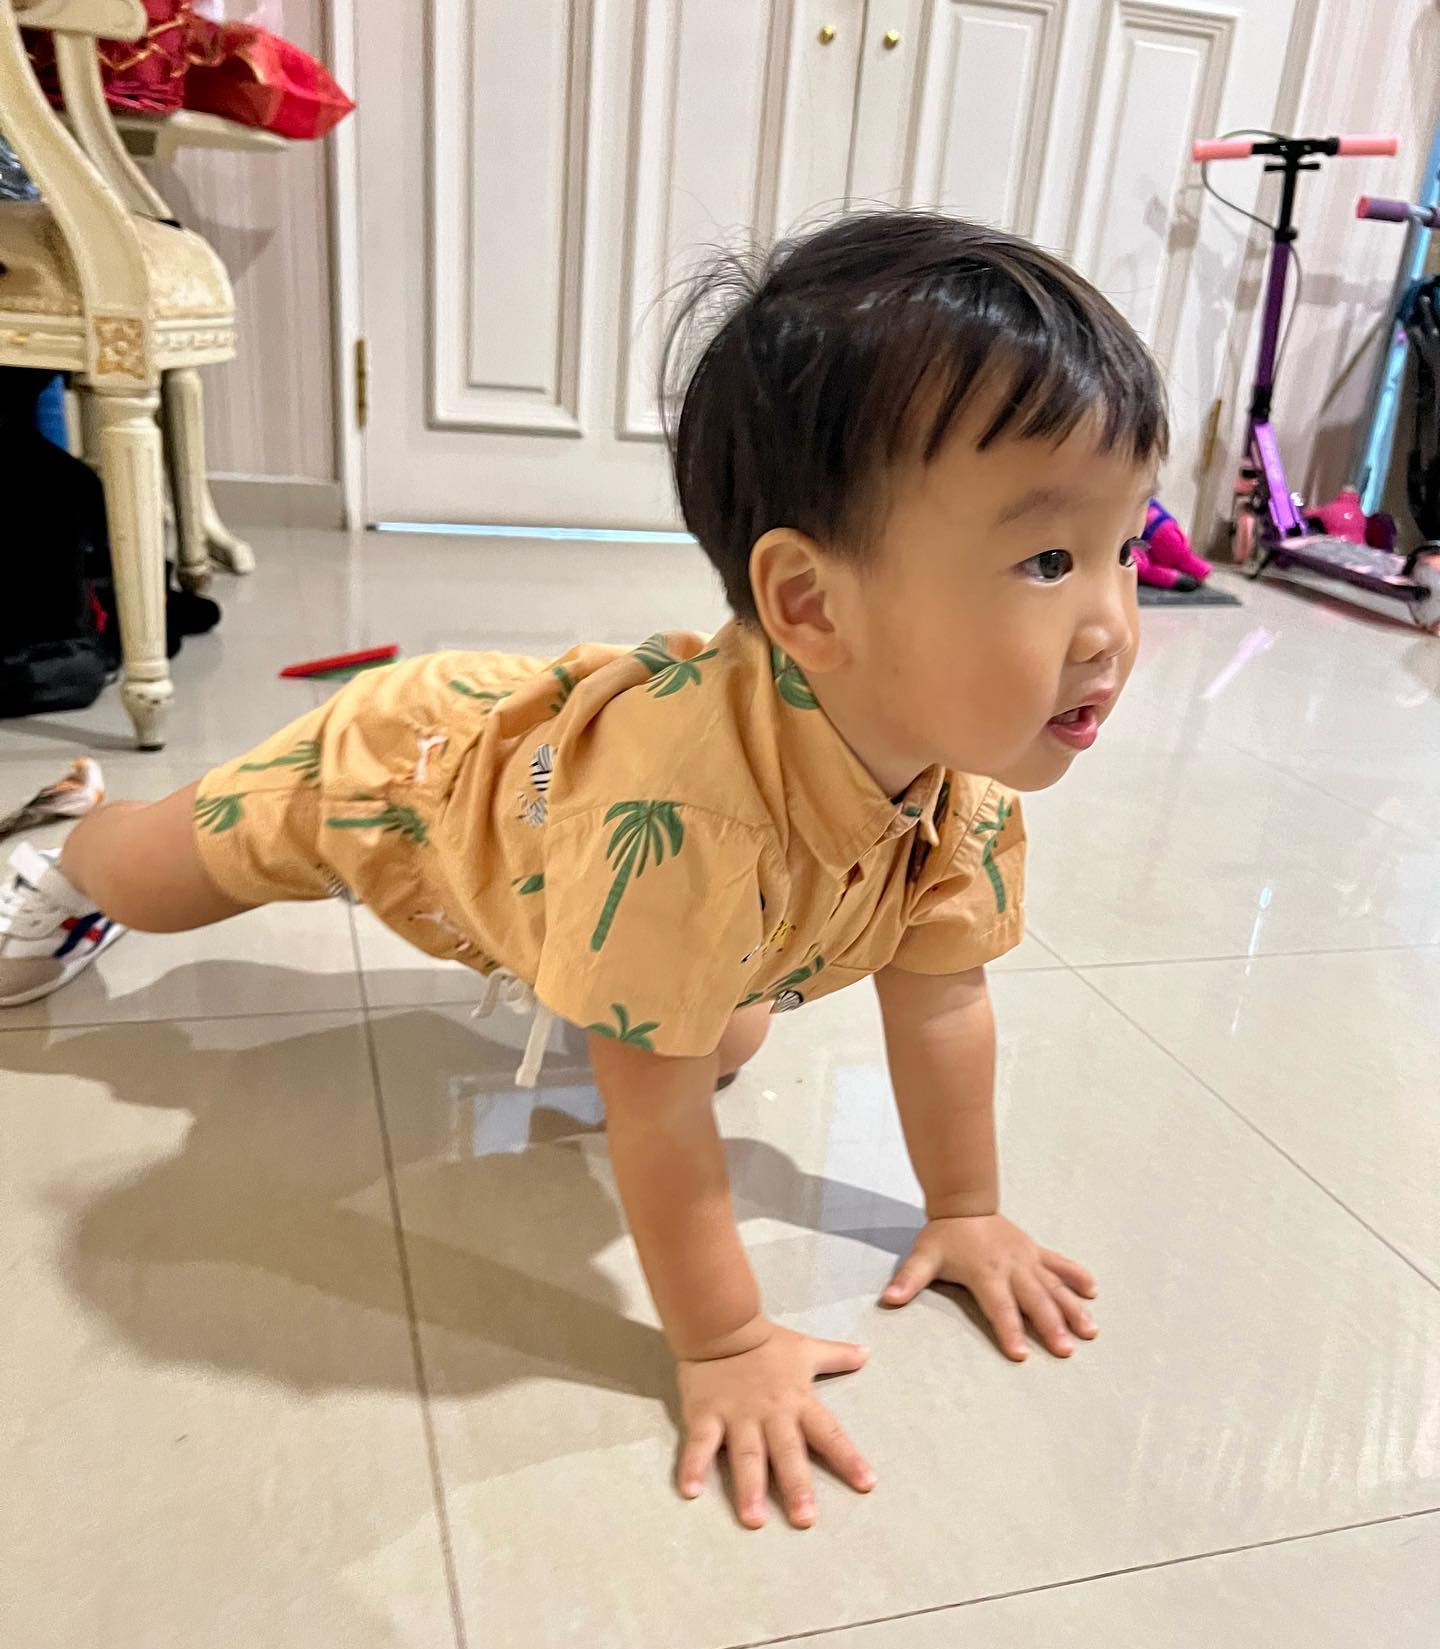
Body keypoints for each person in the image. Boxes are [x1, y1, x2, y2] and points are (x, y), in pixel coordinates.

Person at [0, 212, 1166, 1529]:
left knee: (716, 1030)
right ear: (808, 604)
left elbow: (942, 1000)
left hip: (582, 830)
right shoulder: (690, 829)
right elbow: (653, 1122)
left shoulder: (968, 787)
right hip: (409, 777)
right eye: (1048, 560)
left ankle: (591, 961)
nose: (1112, 625)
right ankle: (64, 836)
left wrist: (970, 1209)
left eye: (1129, 547)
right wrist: (724, 1341)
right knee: (162, 874)